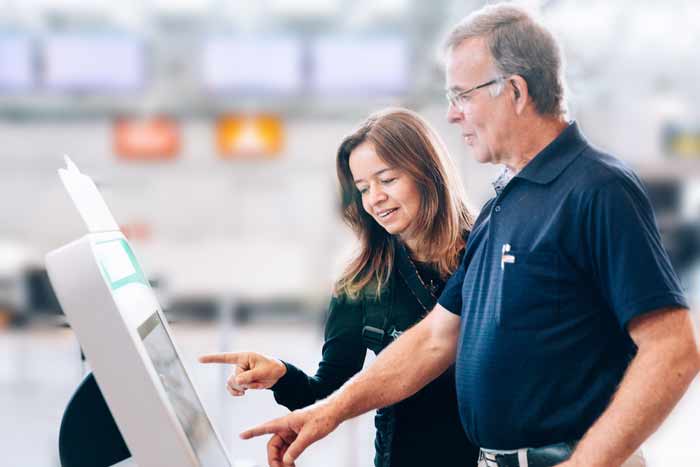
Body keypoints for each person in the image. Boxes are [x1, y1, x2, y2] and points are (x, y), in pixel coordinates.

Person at [237, 4, 700, 467]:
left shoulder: (596, 189)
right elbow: (437, 337)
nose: (453, 115)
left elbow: (672, 350)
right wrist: (324, 412)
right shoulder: (505, 203)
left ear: (514, 91)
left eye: (462, 96)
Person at [200, 108, 479, 467]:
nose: (374, 197)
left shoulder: (489, 254)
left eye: (387, 179)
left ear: (428, 173)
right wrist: (281, 377)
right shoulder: (361, 280)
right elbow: (328, 396)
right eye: (363, 188)